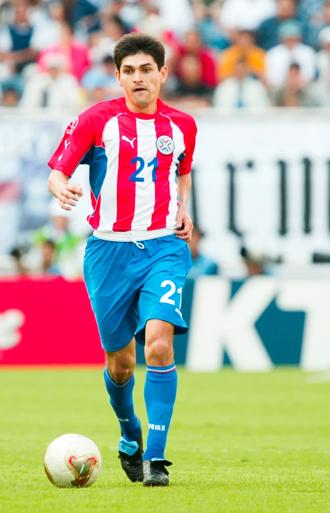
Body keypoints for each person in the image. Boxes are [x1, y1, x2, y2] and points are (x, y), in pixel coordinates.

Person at [46, 33, 196, 487]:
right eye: (128, 71)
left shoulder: (183, 125)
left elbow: (182, 172)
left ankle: (155, 457)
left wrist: (183, 208)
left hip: (163, 246)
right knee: (121, 363)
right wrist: (62, 189)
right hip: (108, 251)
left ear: (162, 74)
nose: (138, 79)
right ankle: (129, 432)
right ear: (117, 77)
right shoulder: (96, 120)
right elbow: (57, 172)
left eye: (146, 70)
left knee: (159, 344)